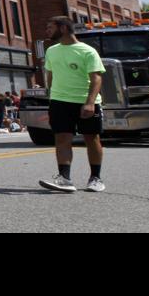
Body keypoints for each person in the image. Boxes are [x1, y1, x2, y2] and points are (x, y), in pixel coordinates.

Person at [37, 17, 107, 194]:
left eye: (50, 27)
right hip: (60, 101)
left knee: (91, 138)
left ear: (63, 28)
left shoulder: (87, 51)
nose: (47, 31)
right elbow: (50, 76)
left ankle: (95, 178)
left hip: (85, 101)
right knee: (61, 138)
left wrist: (90, 102)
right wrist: (51, 98)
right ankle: (65, 179)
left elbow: (97, 78)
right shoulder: (51, 51)